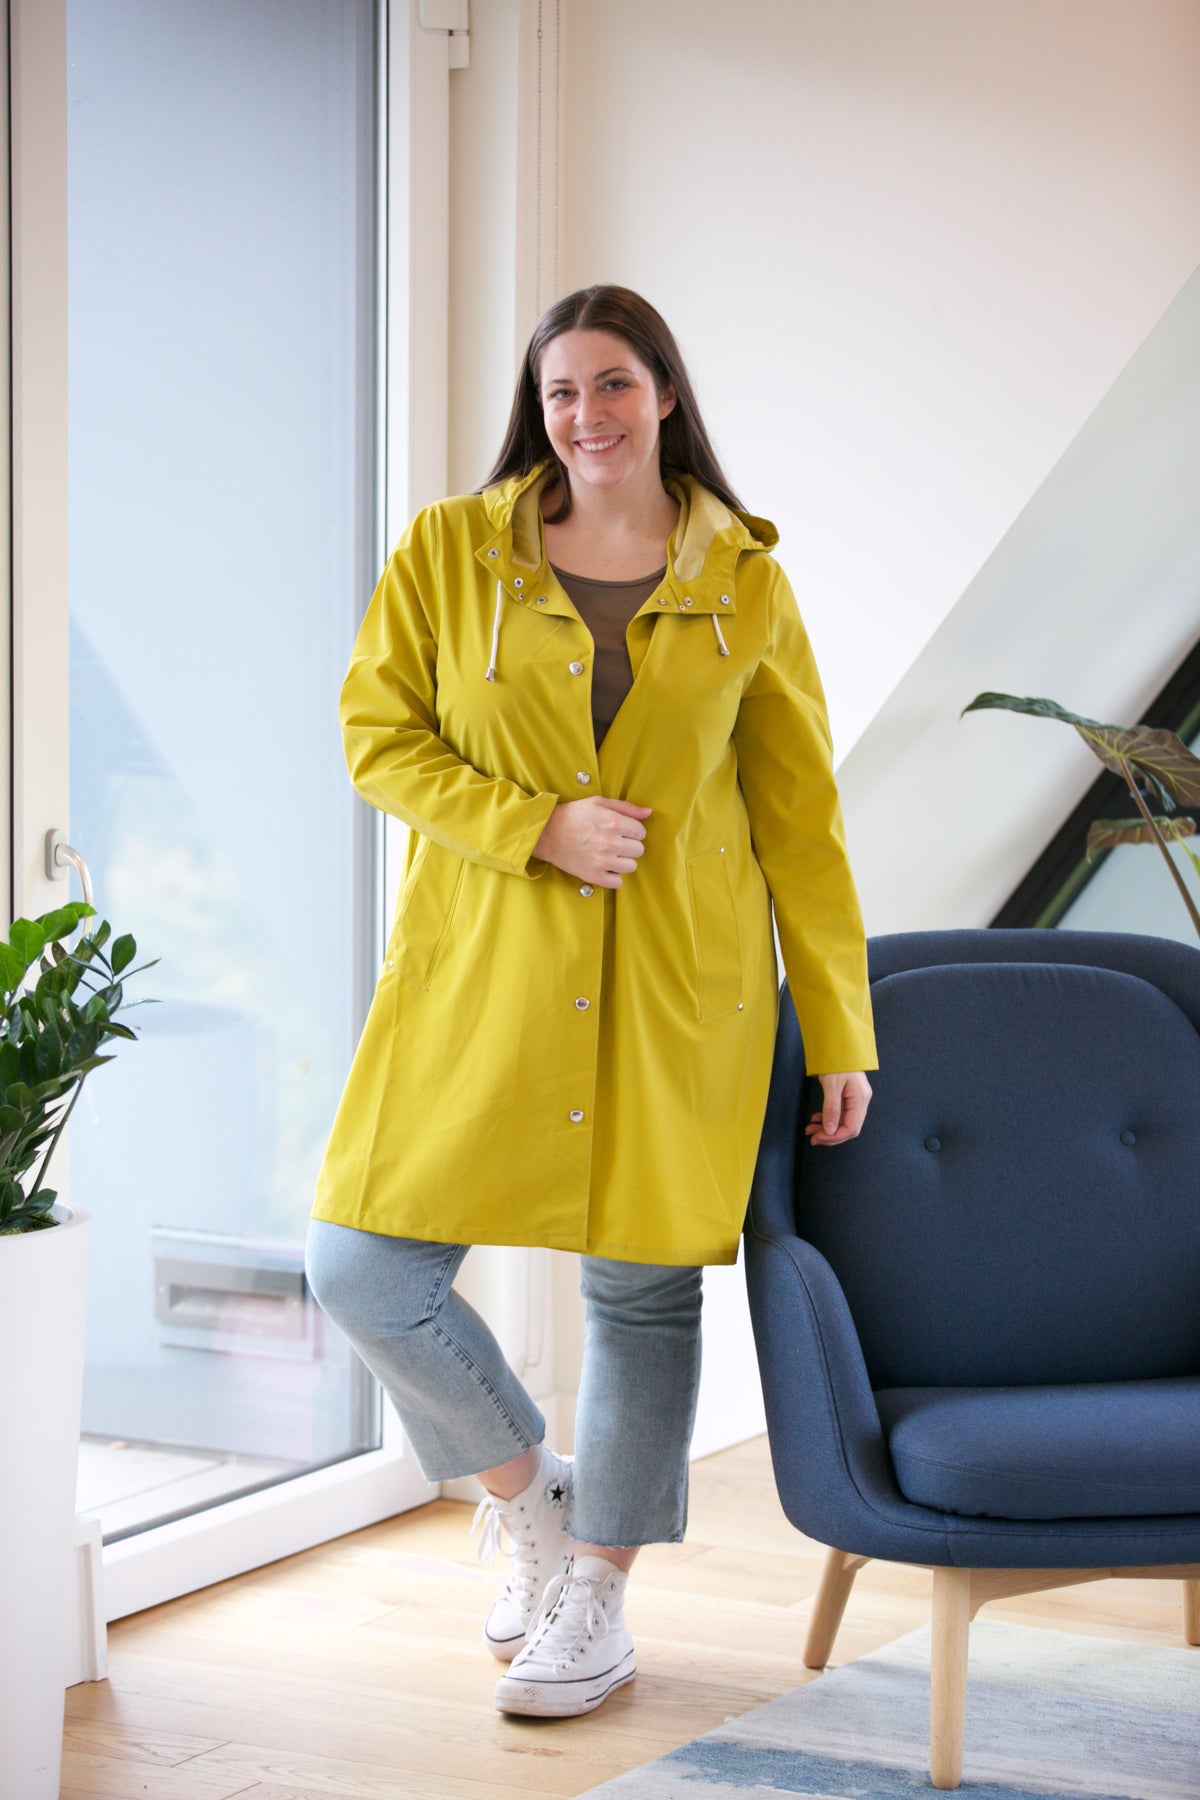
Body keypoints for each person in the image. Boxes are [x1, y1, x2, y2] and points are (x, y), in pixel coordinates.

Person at [304, 284, 877, 1720]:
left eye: (613, 384)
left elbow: (801, 822)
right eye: (561, 391)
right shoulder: (450, 551)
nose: (586, 416)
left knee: (640, 1292)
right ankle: (536, 1499)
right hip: (486, 972)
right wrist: (535, 825)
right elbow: (378, 737)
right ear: (538, 407)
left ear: (665, 392)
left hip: (682, 982)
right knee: (361, 1265)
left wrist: (841, 1030)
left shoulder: (745, 580)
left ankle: (600, 1595)